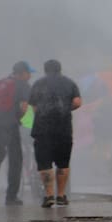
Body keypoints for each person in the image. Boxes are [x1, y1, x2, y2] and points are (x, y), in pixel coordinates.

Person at [0, 61, 34, 206]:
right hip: (10, 124)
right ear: (22, 73)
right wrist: (25, 122)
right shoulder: (23, 85)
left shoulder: (2, 82)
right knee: (16, 160)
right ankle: (11, 197)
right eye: (28, 73)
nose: (30, 76)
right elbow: (24, 107)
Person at [28, 59, 82, 208]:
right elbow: (77, 102)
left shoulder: (38, 84)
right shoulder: (70, 83)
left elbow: (32, 107)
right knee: (63, 163)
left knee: (45, 164)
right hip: (63, 129)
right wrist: (65, 109)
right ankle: (61, 196)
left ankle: (49, 195)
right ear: (60, 69)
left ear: (45, 70)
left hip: (42, 130)